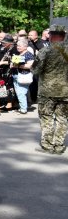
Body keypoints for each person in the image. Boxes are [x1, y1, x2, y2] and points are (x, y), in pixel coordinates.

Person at [32, 24, 68, 154]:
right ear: (64, 36)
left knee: (46, 117)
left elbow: (35, 70)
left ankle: (47, 145)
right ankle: (58, 146)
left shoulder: (44, 51)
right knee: (62, 118)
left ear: (51, 36)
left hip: (47, 92)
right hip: (65, 91)